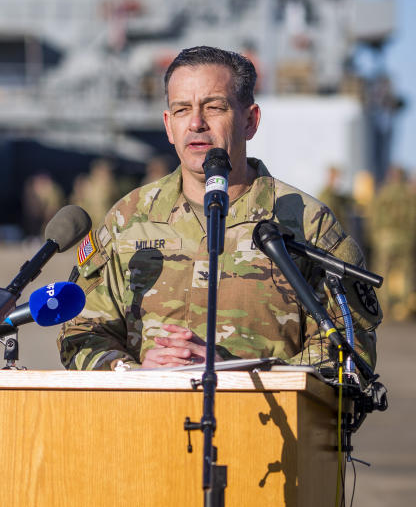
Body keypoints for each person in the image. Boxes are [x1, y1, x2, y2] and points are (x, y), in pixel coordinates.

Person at [58, 46, 379, 372]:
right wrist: (130, 372)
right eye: (182, 110)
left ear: (250, 121)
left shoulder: (308, 224)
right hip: (146, 418)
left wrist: (240, 372)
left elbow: (352, 351)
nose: (196, 123)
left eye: (214, 107)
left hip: (264, 420)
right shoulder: (126, 220)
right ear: (169, 126)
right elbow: (81, 332)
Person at [368, 166, 416, 321]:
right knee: (407, 272)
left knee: (382, 272)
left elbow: (373, 216)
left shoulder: (383, 193)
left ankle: (383, 306)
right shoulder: (410, 194)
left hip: (385, 238)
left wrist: (375, 236)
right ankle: (404, 306)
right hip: (405, 238)